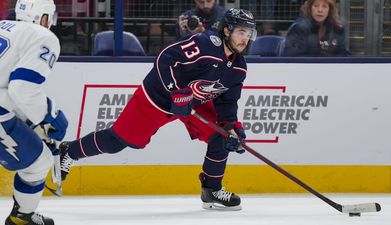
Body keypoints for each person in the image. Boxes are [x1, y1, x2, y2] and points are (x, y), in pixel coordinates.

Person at [60, 8, 257, 211]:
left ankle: (212, 190)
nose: (245, 38)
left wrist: (232, 127)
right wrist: (174, 90)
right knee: (119, 141)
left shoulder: (239, 67)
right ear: (227, 30)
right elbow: (166, 58)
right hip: (158, 97)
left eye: (249, 33)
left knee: (222, 135)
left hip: (192, 103)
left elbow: (227, 102)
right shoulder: (205, 44)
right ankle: (70, 151)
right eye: (241, 32)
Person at [0, 0, 69, 224]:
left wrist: (31, 122)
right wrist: (50, 116)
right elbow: (22, 89)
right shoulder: (42, 36)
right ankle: (22, 218)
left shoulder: (5, 28)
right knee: (39, 163)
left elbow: (8, 89)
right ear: (43, 17)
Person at [282, 0, 350, 56]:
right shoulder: (299, 28)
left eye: (324, 6)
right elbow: (291, 56)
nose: (320, 10)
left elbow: (343, 54)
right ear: (310, 8)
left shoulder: (337, 29)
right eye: (316, 6)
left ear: (330, 10)